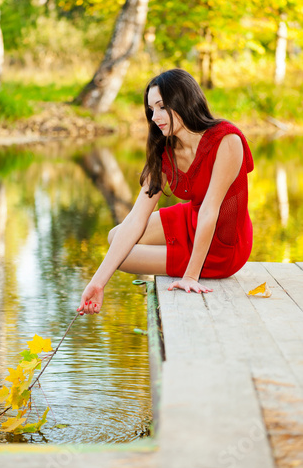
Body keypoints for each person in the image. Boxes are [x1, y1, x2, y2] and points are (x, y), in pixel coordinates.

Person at [77, 68, 254, 316]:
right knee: (115, 236)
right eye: (151, 110)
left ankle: (189, 263)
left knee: (124, 257)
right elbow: (136, 217)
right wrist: (97, 282)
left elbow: (210, 210)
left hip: (223, 244)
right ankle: (175, 256)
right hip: (193, 219)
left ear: (183, 99)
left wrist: (191, 276)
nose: (155, 117)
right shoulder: (165, 151)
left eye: (161, 107)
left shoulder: (226, 140)